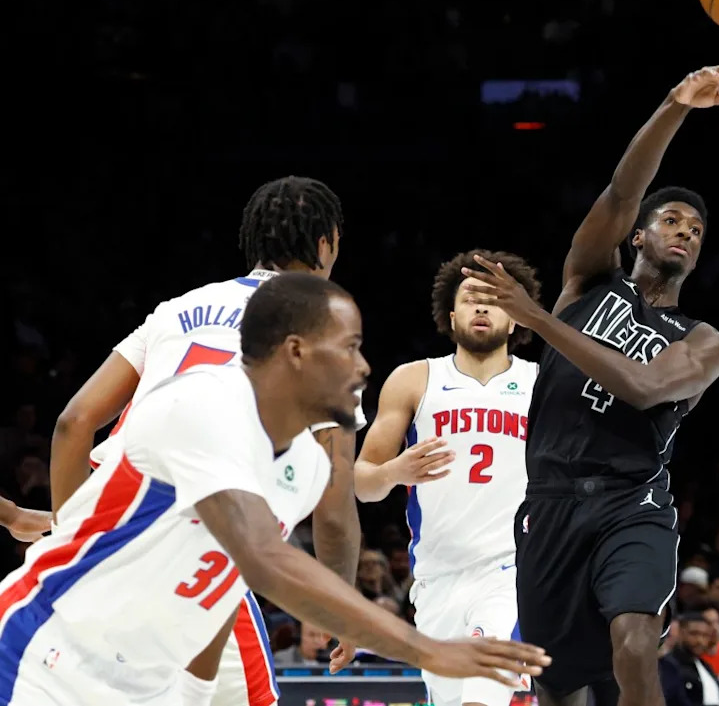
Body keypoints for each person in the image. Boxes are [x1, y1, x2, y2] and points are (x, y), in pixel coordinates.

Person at [0, 274, 550, 706]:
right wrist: (426, 649)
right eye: (350, 347)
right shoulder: (202, 407)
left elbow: (223, 579)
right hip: (46, 650)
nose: (364, 367)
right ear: (297, 351)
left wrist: (192, 697)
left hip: (140, 677)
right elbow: (265, 562)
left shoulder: (308, 466)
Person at [459, 66, 719, 706]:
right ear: (638, 235)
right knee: (559, 686)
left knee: (637, 644)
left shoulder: (704, 339)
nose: (686, 233)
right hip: (551, 500)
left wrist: (534, 318)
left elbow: (643, 388)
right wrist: (675, 105)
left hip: (631, 499)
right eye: (672, 220)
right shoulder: (589, 280)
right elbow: (622, 189)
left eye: (696, 232)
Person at [47, 176, 365, 706]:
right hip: (198, 553)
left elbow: (73, 423)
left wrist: (71, 542)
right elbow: (333, 513)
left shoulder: (175, 311)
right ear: (327, 242)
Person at [355, 249, 542, 706]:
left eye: (495, 298)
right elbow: (361, 481)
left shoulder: (542, 383)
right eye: (472, 297)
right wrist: (396, 471)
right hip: (436, 580)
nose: (482, 307)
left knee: (481, 697)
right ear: (451, 313)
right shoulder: (415, 379)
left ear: (517, 316)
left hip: (509, 571)